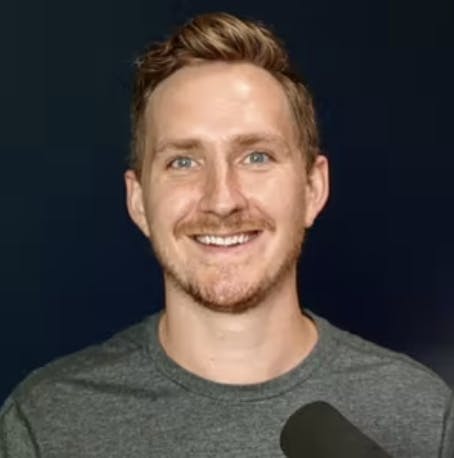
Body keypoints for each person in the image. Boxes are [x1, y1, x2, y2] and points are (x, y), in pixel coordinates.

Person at [0, 12, 452, 458]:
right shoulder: (46, 423)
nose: (222, 200)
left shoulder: (424, 414)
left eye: (256, 156)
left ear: (313, 189)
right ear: (139, 202)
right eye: (183, 161)